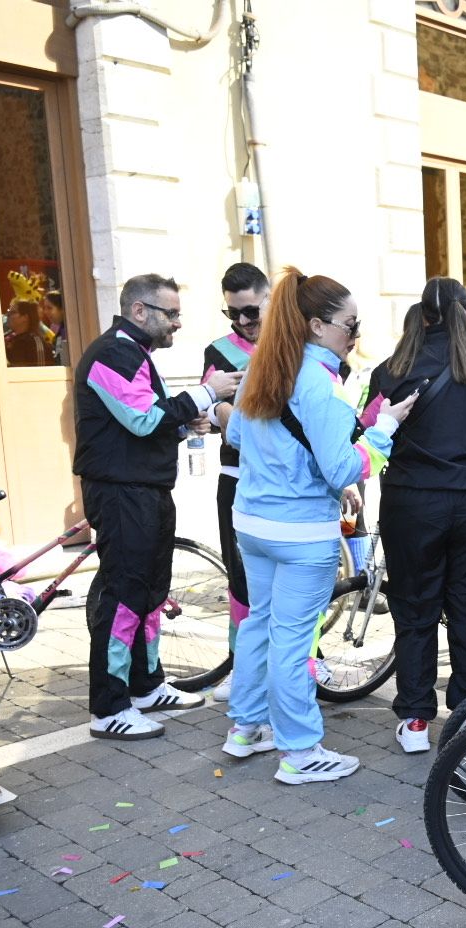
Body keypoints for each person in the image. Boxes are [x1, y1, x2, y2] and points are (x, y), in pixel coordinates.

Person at [223, 268, 409, 781]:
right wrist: (383, 431)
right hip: (301, 531)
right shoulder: (321, 385)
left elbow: (236, 434)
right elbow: (342, 467)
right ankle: (301, 752)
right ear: (316, 325)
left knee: (260, 624)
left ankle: (246, 728)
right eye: (351, 324)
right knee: (289, 639)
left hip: (254, 522)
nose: (356, 334)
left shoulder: (264, 364)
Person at [72, 273, 241, 739]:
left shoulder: (133, 353)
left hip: (144, 489)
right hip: (121, 492)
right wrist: (208, 393)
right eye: (171, 314)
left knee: (150, 592)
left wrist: (188, 426)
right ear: (140, 311)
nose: (177, 324)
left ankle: (146, 685)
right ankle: (108, 708)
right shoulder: (112, 353)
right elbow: (143, 420)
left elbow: (143, 420)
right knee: (125, 596)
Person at [362, 278, 466, 753]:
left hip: (412, 503)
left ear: (419, 317)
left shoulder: (388, 372)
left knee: (414, 608)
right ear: (462, 315)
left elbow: (371, 434)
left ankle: (414, 719)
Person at [201, 262, 270, 702]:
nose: (243, 322)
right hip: (237, 477)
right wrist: (219, 411)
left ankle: (308, 660)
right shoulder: (219, 351)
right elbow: (205, 413)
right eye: (233, 313)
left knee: (293, 581)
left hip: (288, 482)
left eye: (250, 311)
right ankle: (242, 666)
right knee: (241, 578)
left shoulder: (296, 341)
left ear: (269, 299)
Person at [4, 300, 52, 365]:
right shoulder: (10, 340)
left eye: (12, 312)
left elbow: (40, 372)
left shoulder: (35, 342)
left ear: (25, 317)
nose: (7, 315)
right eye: (8, 312)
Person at [41, 290, 68, 364]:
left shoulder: (68, 332)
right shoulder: (62, 330)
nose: (45, 312)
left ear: (62, 309)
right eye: (45, 308)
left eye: (49, 308)